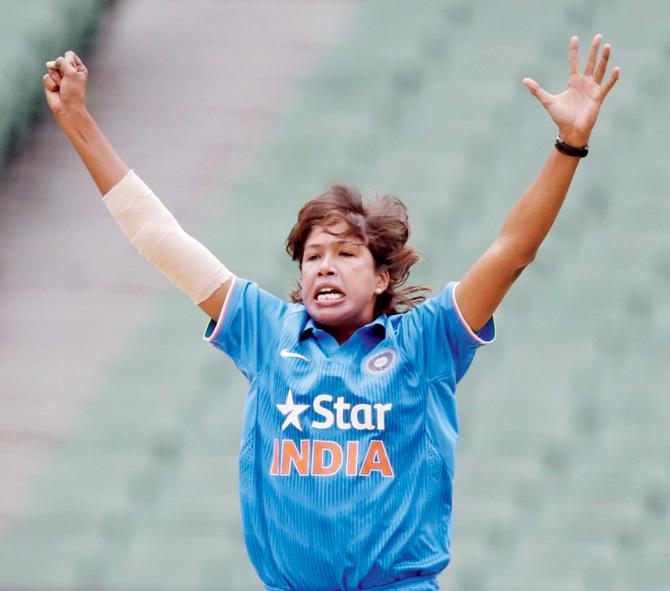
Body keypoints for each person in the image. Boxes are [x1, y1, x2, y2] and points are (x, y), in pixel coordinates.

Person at [43, 33, 619, 591]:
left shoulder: (425, 342)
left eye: (346, 254)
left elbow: (511, 253)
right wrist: (78, 123)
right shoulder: (267, 333)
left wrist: (568, 146)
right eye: (314, 256)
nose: (325, 266)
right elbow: (159, 237)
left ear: (382, 276)